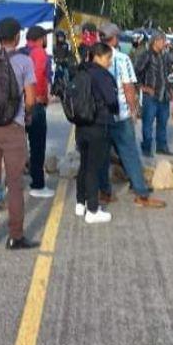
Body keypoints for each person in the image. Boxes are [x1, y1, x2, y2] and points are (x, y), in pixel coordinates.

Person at [0, 17, 39, 249]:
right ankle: (15, 235)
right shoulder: (24, 61)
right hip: (13, 128)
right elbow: (30, 99)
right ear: (17, 37)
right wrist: (26, 113)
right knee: (14, 183)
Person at [96, 22, 166, 209]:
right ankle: (141, 194)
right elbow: (128, 88)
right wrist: (134, 112)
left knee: (102, 156)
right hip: (120, 115)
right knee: (130, 154)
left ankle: (104, 192)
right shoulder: (120, 58)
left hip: (99, 116)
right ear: (115, 38)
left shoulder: (92, 57)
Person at [74, 42, 119, 224]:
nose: (110, 62)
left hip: (81, 125)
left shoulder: (81, 71)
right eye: (108, 58)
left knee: (84, 164)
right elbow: (111, 100)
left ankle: (80, 202)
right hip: (98, 124)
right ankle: (92, 209)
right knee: (94, 167)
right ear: (98, 56)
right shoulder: (103, 75)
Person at [23, 25, 53, 199]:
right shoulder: (40, 54)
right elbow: (38, 77)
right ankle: (38, 185)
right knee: (37, 147)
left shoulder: (19, 52)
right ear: (41, 39)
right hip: (34, 106)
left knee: (16, 147)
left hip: (16, 107)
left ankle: (10, 185)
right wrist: (41, 97)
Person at [135, 31, 173, 157]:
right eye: (162, 40)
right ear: (155, 41)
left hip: (164, 96)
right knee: (148, 124)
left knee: (162, 123)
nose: (164, 43)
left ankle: (162, 147)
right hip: (151, 97)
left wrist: (171, 89)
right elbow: (136, 74)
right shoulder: (146, 56)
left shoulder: (165, 56)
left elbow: (171, 74)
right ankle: (146, 148)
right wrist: (144, 88)